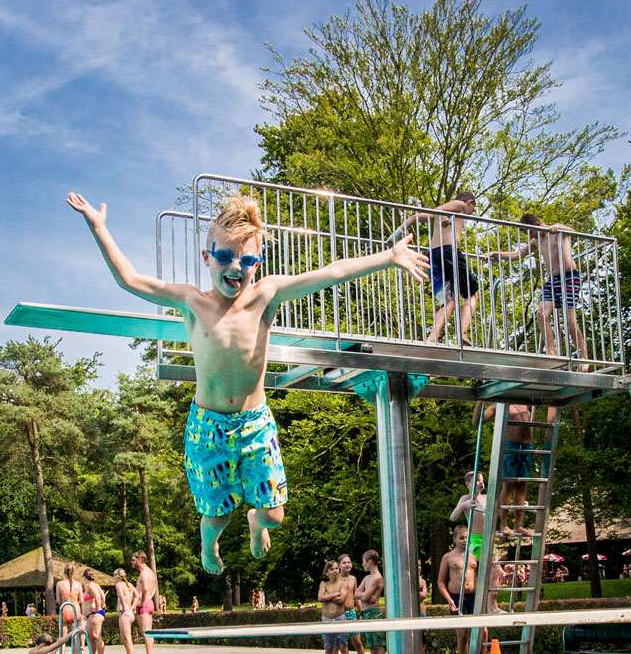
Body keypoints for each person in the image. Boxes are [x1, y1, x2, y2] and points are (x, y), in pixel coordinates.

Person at [68, 191, 428, 574]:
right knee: (217, 516)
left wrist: (388, 258)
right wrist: (98, 228)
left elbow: (331, 272)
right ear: (207, 258)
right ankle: (210, 546)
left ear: (257, 262)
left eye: (247, 259)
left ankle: (256, 525)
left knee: (275, 514)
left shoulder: (265, 296)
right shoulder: (193, 302)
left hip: (255, 422)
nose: (235, 267)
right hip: (208, 427)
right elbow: (130, 280)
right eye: (224, 257)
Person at [488, 214, 588, 365]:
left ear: (538, 224)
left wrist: (558, 227)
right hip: (553, 280)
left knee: (570, 321)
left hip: (569, 277)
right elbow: (516, 255)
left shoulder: (557, 232)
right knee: (541, 313)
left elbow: (572, 231)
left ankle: (584, 358)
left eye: (531, 233)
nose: (530, 237)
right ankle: (551, 352)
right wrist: (496, 254)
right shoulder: (536, 241)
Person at [390, 192, 479, 345]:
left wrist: (396, 233)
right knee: (471, 293)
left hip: (433, 256)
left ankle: (432, 338)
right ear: (470, 202)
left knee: (449, 301)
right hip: (448, 252)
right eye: (473, 209)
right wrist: (444, 218)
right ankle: (463, 333)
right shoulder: (460, 206)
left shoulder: (442, 212)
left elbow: (416, 217)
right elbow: (439, 212)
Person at [473, 402, 535, 537]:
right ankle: (504, 525)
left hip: (526, 447)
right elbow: (477, 421)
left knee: (521, 485)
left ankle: (518, 525)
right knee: (508, 485)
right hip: (510, 447)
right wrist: (479, 403)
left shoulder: (524, 402)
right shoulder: (498, 405)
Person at [449, 470, 505, 613]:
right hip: (475, 539)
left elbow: (500, 512)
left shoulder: (487, 498)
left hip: (488, 538)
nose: (481, 483)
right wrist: (464, 506)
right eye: (478, 481)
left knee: (494, 572)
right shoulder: (466, 498)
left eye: (482, 480)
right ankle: (491, 607)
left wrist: (518, 506)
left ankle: (489, 605)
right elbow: (453, 517)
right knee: (493, 571)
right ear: (469, 484)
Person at [438, 525, 486, 654]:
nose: (464, 541)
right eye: (461, 538)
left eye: (467, 538)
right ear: (454, 539)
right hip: (456, 597)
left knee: (483, 631)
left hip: (474, 596)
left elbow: (485, 575)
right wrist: (449, 599)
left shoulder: (474, 555)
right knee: (463, 635)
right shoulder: (448, 557)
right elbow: (441, 581)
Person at [355, 550, 385, 654]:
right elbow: (356, 595)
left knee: (379, 644)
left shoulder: (377, 578)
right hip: (365, 613)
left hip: (374, 613)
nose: (363, 564)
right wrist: (364, 595)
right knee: (371, 645)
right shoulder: (367, 577)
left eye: (364, 562)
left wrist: (363, 595)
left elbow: (364, 597)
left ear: (370, 562)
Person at [318, 560, 350, 654]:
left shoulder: (343, 584)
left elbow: (341, 600)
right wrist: (335, 594)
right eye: (332, 569)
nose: (335, 571)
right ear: (326, 572)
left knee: (343, 646)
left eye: (336, 568)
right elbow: (320, 598)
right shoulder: (323, 584)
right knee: (329, 648)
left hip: (340, 618)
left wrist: (327, 596)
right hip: (326, 619)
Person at [338, 554, 366, 654]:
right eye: (344, 563)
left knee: (357, 642)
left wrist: (361, 610)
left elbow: (356, 595)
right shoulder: (335, 579)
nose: (347, 565)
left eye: (349, 562)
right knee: (343, 644)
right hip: (340, 615)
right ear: (339, 565)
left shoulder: (353, 579)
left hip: (351, 613)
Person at [132, 551, 158, 654]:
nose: (131, 562)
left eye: (133, 560)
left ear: (140, 560)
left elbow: (145, 589)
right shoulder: (150, 572)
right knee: (148, 632)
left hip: (145, 603)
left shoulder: (144, 572)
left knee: (145, 632)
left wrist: (142, 602)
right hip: (149, 602)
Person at [53, 563, 83, 651]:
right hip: (75, 610)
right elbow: (81, 600)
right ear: (73, 572)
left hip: (65, 610)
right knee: (75, 636)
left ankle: (62, 652)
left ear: (64, 572)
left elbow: (58, 601)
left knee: (63, 637)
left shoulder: (59, 584)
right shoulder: (78, 584)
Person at [113, 568, 139, 654]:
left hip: (124, 612)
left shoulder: (119, 584)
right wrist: (132, 607)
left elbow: (121, 596)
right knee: (125, 638)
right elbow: (137, 595)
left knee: (126, 638)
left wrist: (125, 607)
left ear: (117, 576)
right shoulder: (129, 585)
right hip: (129, 612)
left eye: (114, 575)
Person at [81, 569, 106, 654]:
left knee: (96, 637)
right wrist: (102, 606)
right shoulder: (96, 585)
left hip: (94, 614)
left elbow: (98, 597)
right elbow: (103, 597)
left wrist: (97, 608)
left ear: (85, 577)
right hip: (93, 614)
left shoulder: (91, 585)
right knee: (91, 638)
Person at [418, 560, 429, 654]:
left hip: (422, 615)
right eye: (416, 565)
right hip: (413, 616)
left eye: (420, 565)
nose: (419, 567)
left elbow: (424, 595)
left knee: (422, 642)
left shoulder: (423, 581)